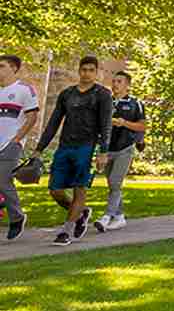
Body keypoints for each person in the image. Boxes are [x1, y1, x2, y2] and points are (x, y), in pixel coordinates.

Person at [34, 55, 114, 246]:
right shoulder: (67, 94)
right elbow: (53, 122)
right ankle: (81, 212)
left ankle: (66, 231)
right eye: (83, 70)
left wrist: (103, 152)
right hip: (64, 147)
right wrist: (39, 148)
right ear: (79, 71)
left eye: (91, 70)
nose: (86, 73)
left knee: (79, 188)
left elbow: (106, 125)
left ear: (97, 72)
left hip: (86, 147)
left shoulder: (102, 94)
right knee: (55, 191)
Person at [89, 71, 146, 233]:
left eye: (119, 81)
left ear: (127, 85)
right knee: (112, 185)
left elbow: (142, 126)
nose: (115, 84)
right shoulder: (106, 102)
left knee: (115, 182)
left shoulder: (136, 103)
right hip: (107, 149)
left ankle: (107, 217)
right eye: (113, 81)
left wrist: (124, 123)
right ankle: (119, 217)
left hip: (125, 148)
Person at [0, 54, 40, 241]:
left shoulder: (24, 90)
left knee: (3, 181)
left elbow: (32, 117)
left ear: (14, 68)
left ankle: (17, 218)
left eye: (2, 66)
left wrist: (18, 139)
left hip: (11, 144)